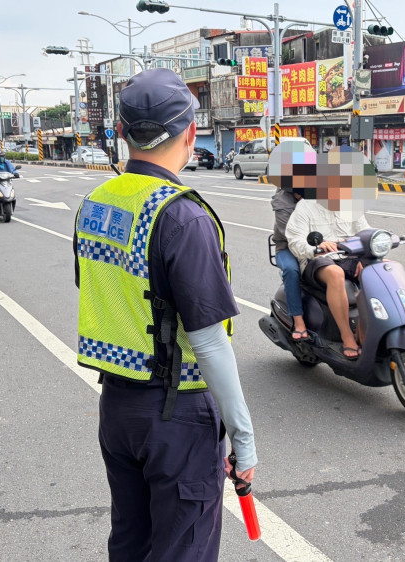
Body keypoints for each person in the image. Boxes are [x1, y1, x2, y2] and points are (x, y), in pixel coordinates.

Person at [73, 68, 257, 561]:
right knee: (182, 550)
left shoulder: (94, 204)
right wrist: (243, 434)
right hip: (177, 414)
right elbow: (211, 342)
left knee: (131, 541)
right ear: (191, 134)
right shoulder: (182, 215)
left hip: (117, 409)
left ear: (121, 133)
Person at [285, 147, 373, 360]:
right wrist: (318, 246)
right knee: (336, 275)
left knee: (379, 269)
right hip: (318, 261)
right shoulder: (306, 206)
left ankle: (365, 331)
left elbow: (365, 232)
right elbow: (294, 240)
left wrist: (367, 255)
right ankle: (347, 337)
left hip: (349, 257)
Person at [268, 148, 312, 341]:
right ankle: (299, 320)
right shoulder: (281, 201)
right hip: (287, 247)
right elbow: (292, 235)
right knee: (292, 271)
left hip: (318, 243)